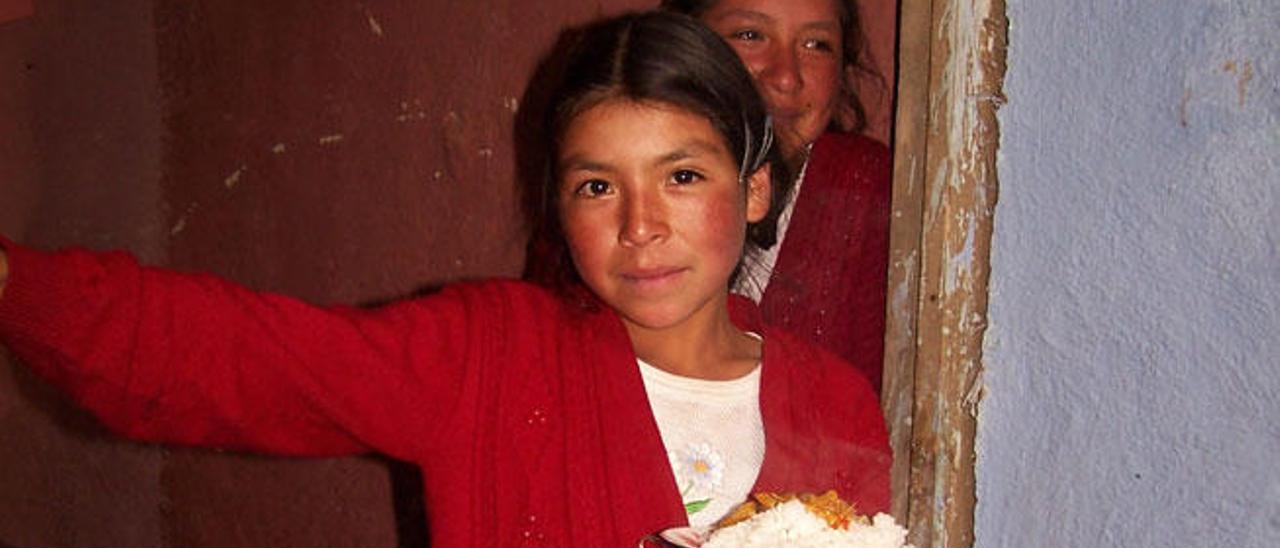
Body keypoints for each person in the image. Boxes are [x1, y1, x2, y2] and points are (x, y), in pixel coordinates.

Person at [0, 11, 888, 547]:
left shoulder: (835, 405)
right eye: (596, 186)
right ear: (557, 206)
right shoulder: (489, 356)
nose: (641, 226)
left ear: (756, 184)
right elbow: (232, 356)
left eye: (683, 176)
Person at [662, 0, 893, 393]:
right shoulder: (610, 177)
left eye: (817, 45)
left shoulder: (864, 188)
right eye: (750, 36)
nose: (786, 77)